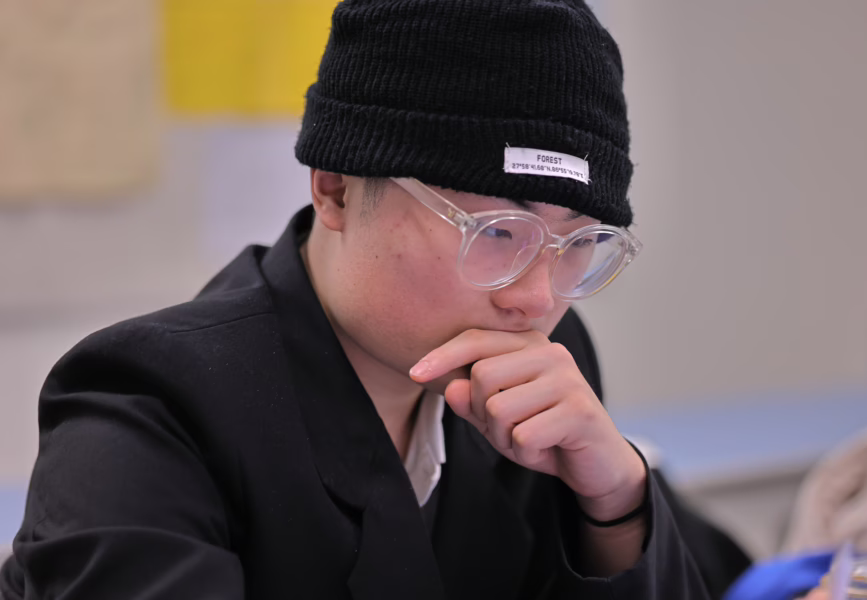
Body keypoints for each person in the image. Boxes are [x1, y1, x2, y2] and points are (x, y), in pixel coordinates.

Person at [1, 1, 722, 598]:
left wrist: (616, 503)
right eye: (499, 232)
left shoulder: (546, 377)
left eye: (578, 244)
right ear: (337, 188)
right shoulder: (151, 409)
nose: (536, 300)